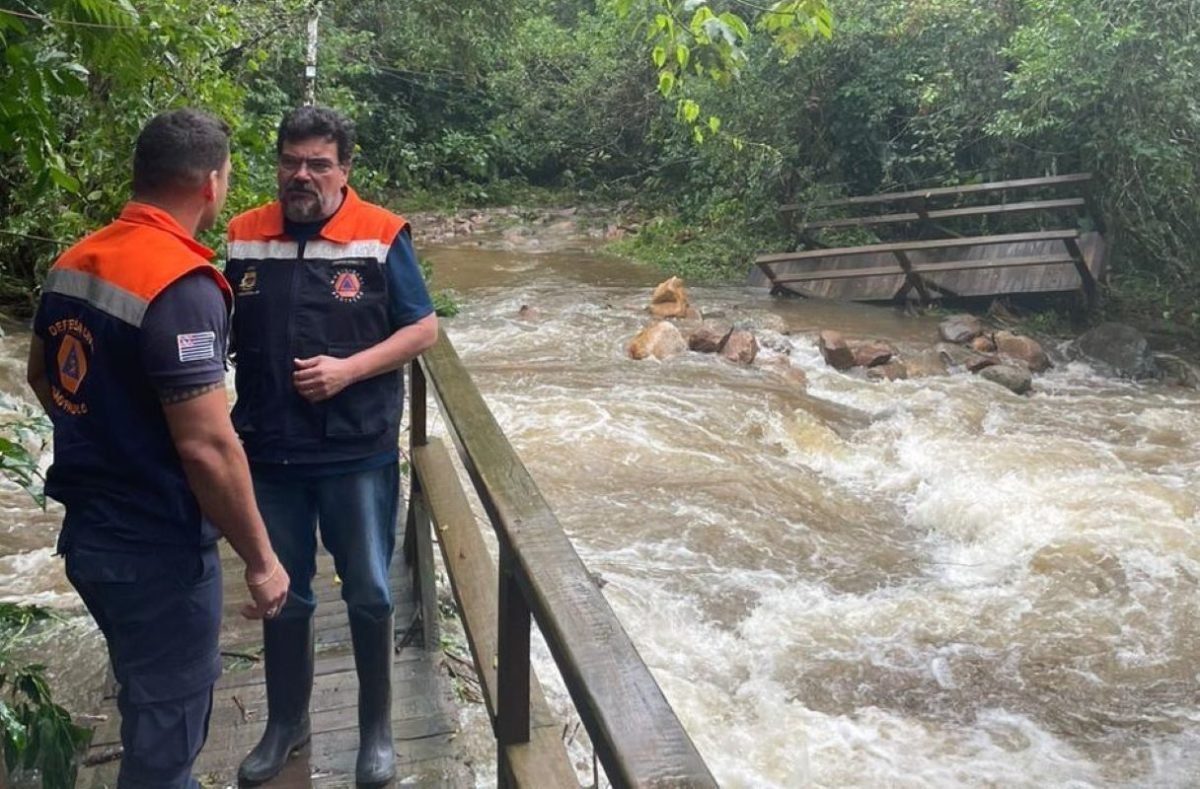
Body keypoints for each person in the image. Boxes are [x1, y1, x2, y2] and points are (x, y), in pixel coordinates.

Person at [26, 108, 290, 789]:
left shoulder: (73, 263)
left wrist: (112, 435)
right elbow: (207, 446)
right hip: (158, 549)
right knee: (167, 742)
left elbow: (42, 377)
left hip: (91, 537)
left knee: (147, 694)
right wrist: (262, 561)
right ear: (210, 183)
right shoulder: (180, 283)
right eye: (228, 175)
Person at [225, 106, 437, 786]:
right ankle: (287, 721)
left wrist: (349, 369)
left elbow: (423, 329)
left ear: (345, 168)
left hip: (357, 452)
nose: (302, 175)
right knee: (284, 593)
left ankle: (376, 728)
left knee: (371, 591)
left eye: (318, 163)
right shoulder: (243, 235)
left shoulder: (380, 234)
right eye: (291, 161)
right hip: (270, 451)